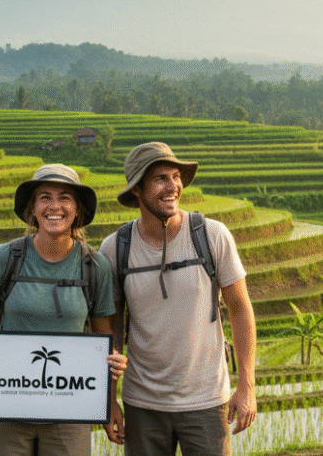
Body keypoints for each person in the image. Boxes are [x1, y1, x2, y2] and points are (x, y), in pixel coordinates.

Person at [99, 142, 257, 456]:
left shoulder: (212, 235)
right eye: (160, 178)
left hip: (206, 400)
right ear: (136, 191)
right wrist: (108, 398)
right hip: (143, 403)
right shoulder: (116, 247)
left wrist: (247, 386)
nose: (173, 186)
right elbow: (112, 327)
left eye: (175, 176)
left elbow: (241, 309)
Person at [0, 163, 128, 456]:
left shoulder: (95, 266)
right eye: (45, 197)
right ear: (33, 209)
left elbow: (104, 337)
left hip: (70, 409)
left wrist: (110, 390)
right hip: (6, 406)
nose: (55, 206)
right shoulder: (3, 258)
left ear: (77, 210)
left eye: (65, 198)